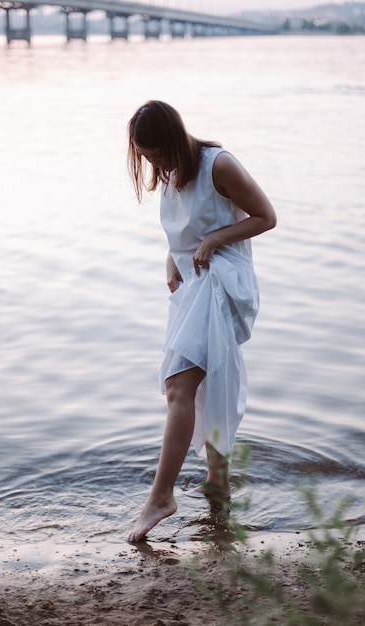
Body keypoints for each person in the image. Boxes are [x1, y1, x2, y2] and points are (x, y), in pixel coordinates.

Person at [127, 100, 276, 543]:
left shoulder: (218, 164)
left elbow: (265, 218)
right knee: (204, 391)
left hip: (223, 284)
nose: (153, 163)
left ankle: (161, 496)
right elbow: (185, 230)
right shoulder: (170, 171)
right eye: (145, 156)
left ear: (174, 139)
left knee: (179, 386)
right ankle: (219, 486)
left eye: (156, 154)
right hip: (192, 284)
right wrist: (170, 259)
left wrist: (216, 239)